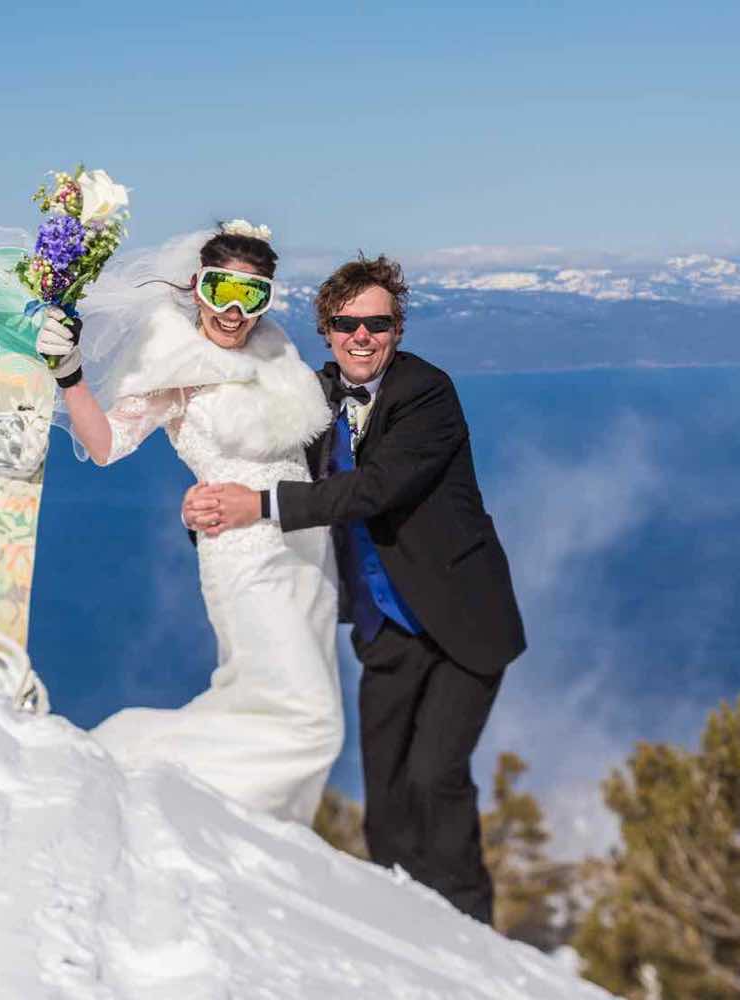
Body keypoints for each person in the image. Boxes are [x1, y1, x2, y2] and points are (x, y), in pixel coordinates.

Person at [182, 255, 525, 923]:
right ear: (327, 330)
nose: (361, 337)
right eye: (346, 324)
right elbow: (269, 468)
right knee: (386, 801)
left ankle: (472, 934)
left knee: (435, 779)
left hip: (463, 626)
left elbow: (374, 489)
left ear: (398, 330)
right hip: (385, 630)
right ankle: (403, 926)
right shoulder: (310, 399)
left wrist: (260, 505)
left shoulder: (428, 393)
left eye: (378, 324)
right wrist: (211, 515)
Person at [34, 222, 343, 826]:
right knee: (310, 721)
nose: (234, 311)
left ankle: (250, 834)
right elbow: (107, 444)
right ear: (197, 287)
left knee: (259, 698)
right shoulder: (176, 362)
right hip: (245, 552)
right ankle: (122, 766)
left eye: (252, 295)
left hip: (306, 549)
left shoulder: (275, 351)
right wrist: (69, 376)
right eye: (222, 290)